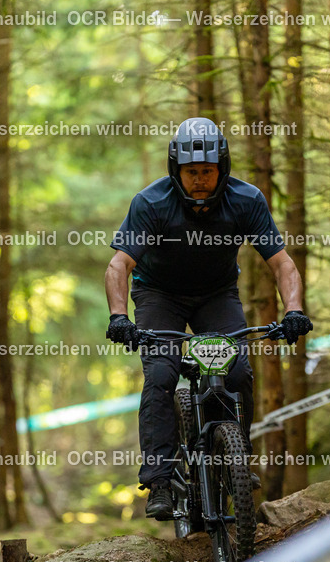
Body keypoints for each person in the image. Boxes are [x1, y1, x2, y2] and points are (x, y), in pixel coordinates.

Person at [104, 117, 312, 520]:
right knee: (162, 375)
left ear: (223, 169)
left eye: (207, 171)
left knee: (236, 373)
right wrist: (119, 316)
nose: (200, 180)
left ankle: (236, 459)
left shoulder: (246, 200)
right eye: (191, 172)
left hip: (216, 295)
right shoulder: (152, 203)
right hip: (158, 294)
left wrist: (294, 311)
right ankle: (161, 479)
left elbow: (283, 264)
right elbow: (118, 265)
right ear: (176, 171)